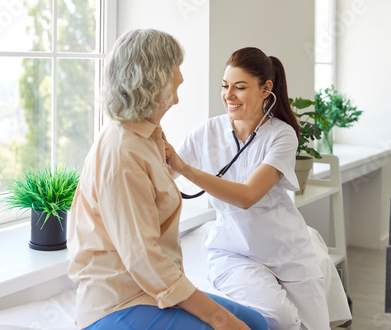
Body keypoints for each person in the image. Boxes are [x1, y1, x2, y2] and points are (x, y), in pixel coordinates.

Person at [67, 30, 268, 330]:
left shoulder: (147, 134)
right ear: (155, 78)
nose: (182, 77)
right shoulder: (121, 151)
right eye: (176, 67)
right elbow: (143, 258)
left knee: (256, 322)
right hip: (120, 299)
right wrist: (218, 318)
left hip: (148, 290)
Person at [165, 47, 337, 330]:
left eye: (240, 87)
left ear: (266, 89)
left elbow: (247, 196)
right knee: (281, 318)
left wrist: (186, 169)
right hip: (234, 252)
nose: (228, 95)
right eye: (224, 86)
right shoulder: (206, 132)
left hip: (287, 249)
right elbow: (161, 175)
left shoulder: (281, 135)